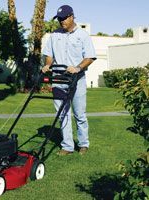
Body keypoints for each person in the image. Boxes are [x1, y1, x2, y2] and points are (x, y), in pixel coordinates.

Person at [42, 5, 96, 155]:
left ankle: (83, 144)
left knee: (79, 114)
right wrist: (47, 65)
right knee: (62, 113)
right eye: (59, 19)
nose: (61, 21)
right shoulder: (54, 35)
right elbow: (49, 54)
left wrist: (78, 68)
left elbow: (90, 57)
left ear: (72, 16)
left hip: (76, 80)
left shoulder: (83, 35)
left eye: (64, 18)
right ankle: (67, 146)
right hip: (59, 80)